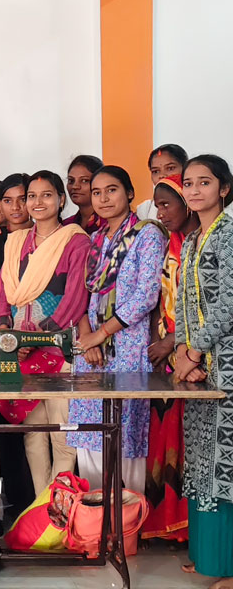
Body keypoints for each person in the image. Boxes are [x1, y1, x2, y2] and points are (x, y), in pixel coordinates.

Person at [70, 166, 168, 493]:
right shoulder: (94, 240)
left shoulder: (147, 235)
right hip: (91, 354)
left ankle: (127, 519)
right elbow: (81, 295)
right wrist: (88, 338)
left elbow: (145, 296)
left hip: (128, 348)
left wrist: (101, 334)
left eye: (111, 190)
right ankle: (94, 518)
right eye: (96, 192)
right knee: (90, 437)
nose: (103, 198)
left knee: (125, 438)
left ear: (129, 193)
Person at [0, 171, 90, 495]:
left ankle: (59, 508)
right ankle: (40, 507)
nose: (37, 202)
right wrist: (8, 335)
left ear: (61, 200)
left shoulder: (75, 241)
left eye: (46, 195)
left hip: (59, 352)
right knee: (33, 434)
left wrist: (32, 337)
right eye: (31, 196)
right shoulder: (16, 242)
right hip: (20, 352)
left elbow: (75, 299)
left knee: (63, 434)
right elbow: (2, 295)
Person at [173, 155, 233, 585]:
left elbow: (229, 303)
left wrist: (193, 352)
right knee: (201, 458)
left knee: (226, 463)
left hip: (226, 364)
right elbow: (181, 303)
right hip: (198, 368)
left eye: (204, 182)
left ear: (224, 188)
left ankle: (229, 567)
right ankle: (209, 556)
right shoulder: (193, 239)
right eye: (189, 183)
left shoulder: (230, 234)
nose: (194, 191)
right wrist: (182, 351)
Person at [140, 174, 197, 543]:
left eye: (167, 204)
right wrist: (158, 343)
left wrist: (175, 343)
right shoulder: (169, 244)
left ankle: (190, 528)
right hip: (166, 354)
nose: (160, 212)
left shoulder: (199, 244)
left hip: (193, 356)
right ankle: (164, 524)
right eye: (157, 206)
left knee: (188, 442)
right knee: (164, 436)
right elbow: (159, 302)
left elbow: (204, 309)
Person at [137, 144, 188, 221]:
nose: (162, 176)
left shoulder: (195, 201)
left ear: (186, 169)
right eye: (156, 171)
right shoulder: (145, 209)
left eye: (170, 168)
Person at [63, 155, 105, 233]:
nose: (75, 186)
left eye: (84, 180)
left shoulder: (110, 223)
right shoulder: (66, 226)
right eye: (71, 181)